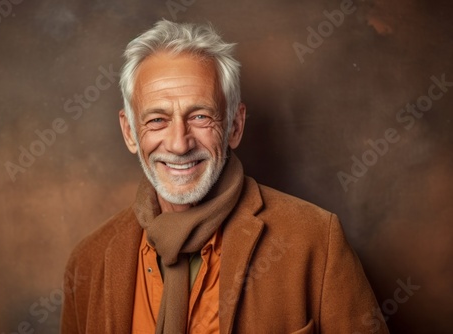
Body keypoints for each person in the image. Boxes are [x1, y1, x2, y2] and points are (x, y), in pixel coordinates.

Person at [61, 19, 389, 334]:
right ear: (130, 132)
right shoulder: (88, 262)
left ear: (234, 125)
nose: (179, 143)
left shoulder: (316, 242)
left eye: (201, 116)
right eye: (157, 120)